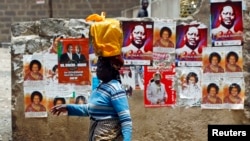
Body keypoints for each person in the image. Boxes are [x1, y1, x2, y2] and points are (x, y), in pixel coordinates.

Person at [51, 55, 132, 141]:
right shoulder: (101, 87)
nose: (98, 69)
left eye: (102, 66)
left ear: (112, 69)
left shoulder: (115, 89)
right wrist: (68, 107)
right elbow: (90, 109)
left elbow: (126, 120)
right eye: (98, 66)